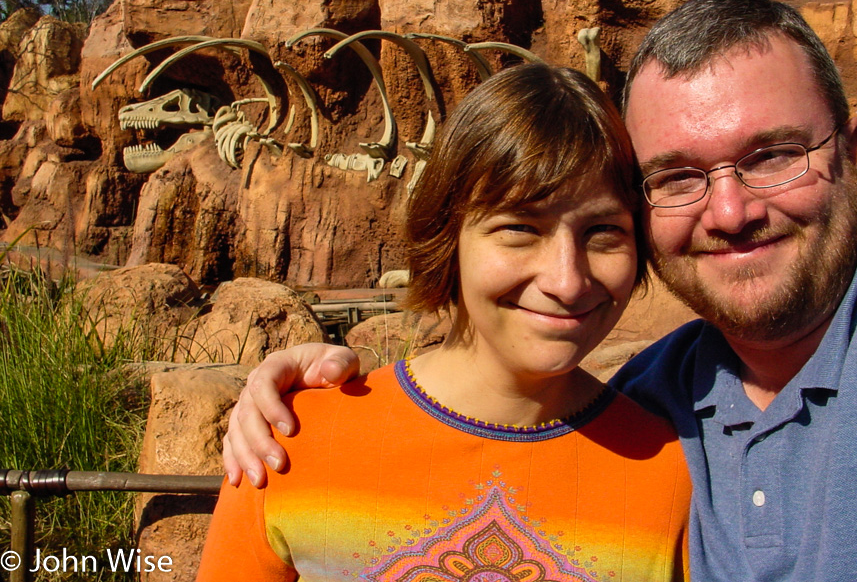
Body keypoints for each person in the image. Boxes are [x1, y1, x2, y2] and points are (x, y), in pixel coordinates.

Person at [222, 0, 857, 581]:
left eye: (774, 155)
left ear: (854, 153)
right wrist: (303, 393)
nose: (730, 212)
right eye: (680, 177)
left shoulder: (667, 456)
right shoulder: (664, 398)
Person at [197, 63, 691, 582]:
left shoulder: (672, 478)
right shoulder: (287, 445)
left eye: (604, 231)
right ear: (447, 235)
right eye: (520, 228)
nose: (567, 281)